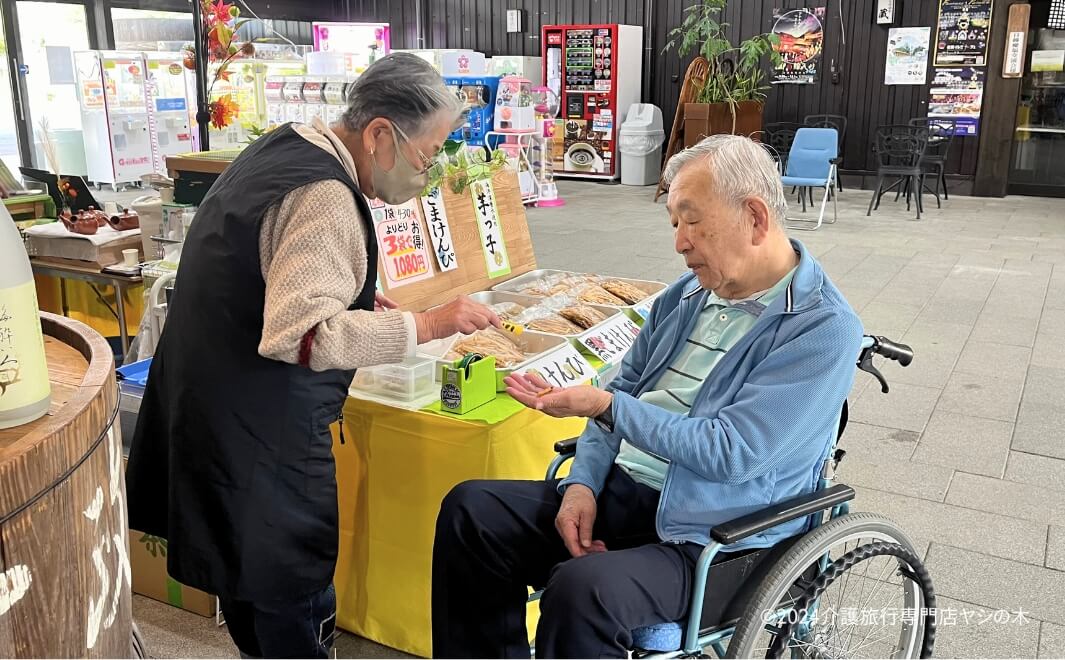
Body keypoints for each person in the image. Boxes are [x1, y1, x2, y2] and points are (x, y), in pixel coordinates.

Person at [432, 134, 864, 658]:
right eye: (674, 224)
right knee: (471, 511)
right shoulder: (684, 298)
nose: (680, 242)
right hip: (627, 493)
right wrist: (583, 486)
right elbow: (621, 388)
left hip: (714, 537)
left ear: (754, 216)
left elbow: (732, 452)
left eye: (692, 220)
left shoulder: (820, 328)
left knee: (583, 591)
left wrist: (607, 409)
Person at [126, 53, 500, 659]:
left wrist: (354, 292)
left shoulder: (284, 148)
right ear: (381, 134)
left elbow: (271, 270)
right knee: (287, 602)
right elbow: (303, 335)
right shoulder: (324, 193)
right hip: (262, 440)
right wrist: (426, 323)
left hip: (213, 412)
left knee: (250, 587)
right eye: (427, 155)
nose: (426, 174)